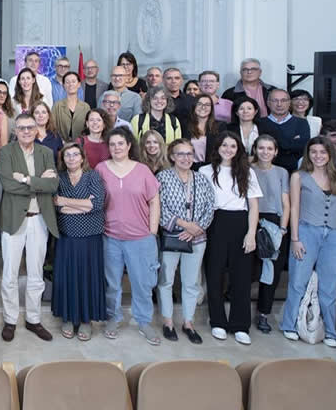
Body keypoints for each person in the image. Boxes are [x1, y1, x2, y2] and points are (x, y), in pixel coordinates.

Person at [280, 137, 336, 346]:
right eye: (314, 152)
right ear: (308, 154)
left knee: (329, 285)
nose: (318, 156)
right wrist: (295, 238)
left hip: (334, 235)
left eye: (322, 152)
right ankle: (289, 324)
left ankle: (330, 330)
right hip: (307, 231)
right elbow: (294, 208)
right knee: (298, 281)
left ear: (330, 154)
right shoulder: (299, 177)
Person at [0, 113, 59, 342]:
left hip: (39, 219)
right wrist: (38, 182)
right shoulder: (6, 152)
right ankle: (10, 319)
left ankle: (34, 319)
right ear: (15, 131)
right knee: (10, 274)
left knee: (36, 273)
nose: (25, 132)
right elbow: (7, 184)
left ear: (36, 130)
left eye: (30, 128)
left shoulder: (46, 152)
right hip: (14, 219)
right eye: (21, 128)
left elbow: (52, 185)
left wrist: (26, 179)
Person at [96, 127, 161, 344]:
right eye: (112, 144)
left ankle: (144, 321)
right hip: (111, 236)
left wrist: (152, 230)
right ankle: (113, 317)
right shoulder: (101, 169)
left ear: (129, 146)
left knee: (142, 282)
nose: (116, 148)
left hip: (140, 238)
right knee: (112, 282)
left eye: (120, 144)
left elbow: (154, 200)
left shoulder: (142, 170)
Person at [198, 133, 261, 345]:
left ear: (238, 149)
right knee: (214, 274)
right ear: (217, 147)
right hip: (214, 221)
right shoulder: (205, 170)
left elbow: (253, 206)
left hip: (240, 222)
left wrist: (251, 233)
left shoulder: (247, 172)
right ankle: (217, 321)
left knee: (241, 276)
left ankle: (240, 324)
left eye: (233, 146)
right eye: (224, 145)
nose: (228, 149)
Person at [156, 139, 215, 345]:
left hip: (197, 239)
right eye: (180, 154)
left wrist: (196, 228)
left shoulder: (201, 179)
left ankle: (188, 323)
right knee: (166, 281)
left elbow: (210, 207)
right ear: (172, 156)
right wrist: (183, 225)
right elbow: (159, 208)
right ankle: (168, 322)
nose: (185, 158)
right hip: (173, 237)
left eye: (189, 154)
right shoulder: (162, 178)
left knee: (191, 283)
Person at [52, 142, 107, 340]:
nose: (72, 158)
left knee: (87, 278)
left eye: (76, 154)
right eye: (68, 155)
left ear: (82, 158)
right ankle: (67, 318)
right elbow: (55, 205)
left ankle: (86, 320)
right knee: (67, 278)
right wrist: (83, 205)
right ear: (63, 159)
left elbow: (97, 204)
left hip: (90, 238)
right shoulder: (60, 178)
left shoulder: (92, 176)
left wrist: (67, 202)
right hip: (67, 236)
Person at [250, 134, 290, 333]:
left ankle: (263, 314)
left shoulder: (282, 172)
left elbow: (285, 202)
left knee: (270, 272)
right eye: (261, 148)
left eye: (269, 148)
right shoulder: (248, 169)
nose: (265, 152)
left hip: (274, 223)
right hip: (252, 220)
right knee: (249, 268)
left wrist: (282, 229)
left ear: (275, 152)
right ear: (255, 149)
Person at [258, 89, 309, 172]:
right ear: (268, 103)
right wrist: (290, 143)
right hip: (264, 170)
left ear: (289, 103)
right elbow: (258, 148)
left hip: (294, 171)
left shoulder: (301, 123)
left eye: (283, 100)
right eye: (275, 100)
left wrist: (274, 143)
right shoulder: (259, 123)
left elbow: (302, 148)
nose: (279, 104)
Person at [51, 72, 90, 141]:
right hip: (61, 146)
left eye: (73, 81)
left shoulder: (86, 107)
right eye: (67, 82)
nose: (70, 84)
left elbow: (88, 129)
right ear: (63, 85)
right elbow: (52, 127)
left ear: (79, 84)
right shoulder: (57, 106)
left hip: (81, 146)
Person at [186, 94, 221, 167]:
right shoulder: (185, 125)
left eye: (207, 105)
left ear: (211, 108)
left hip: (211, 168)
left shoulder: (220, 126)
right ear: (194, 106)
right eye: (199, 104)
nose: (203, 107)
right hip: (188, 168)